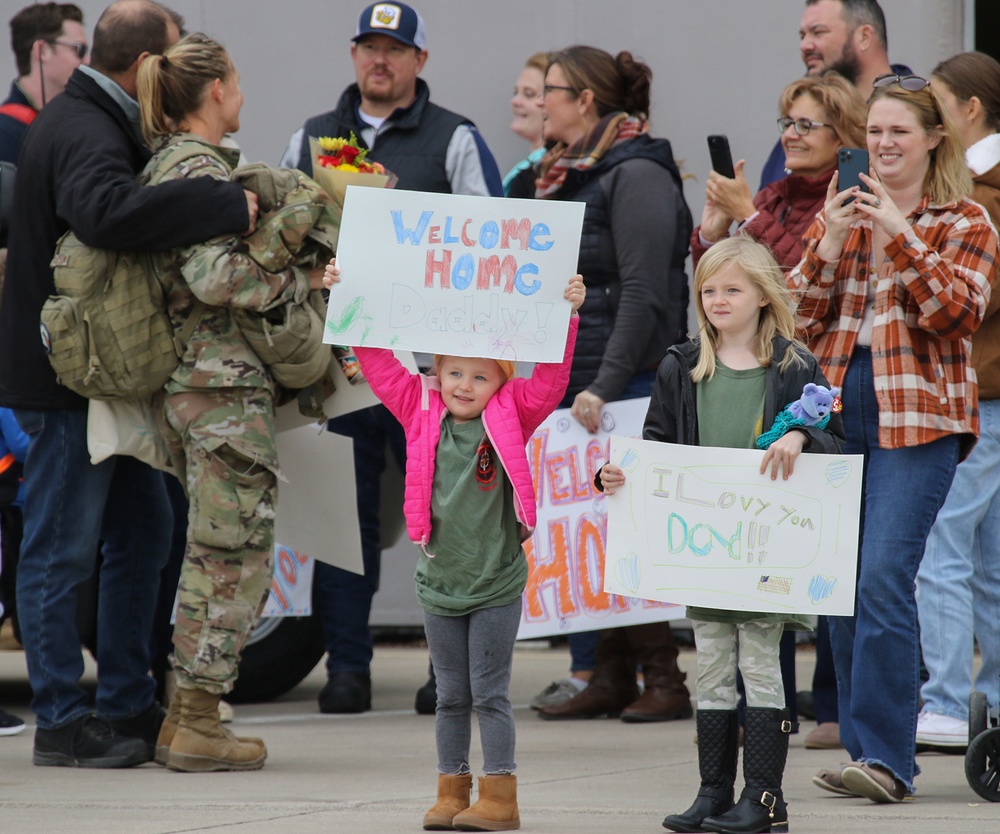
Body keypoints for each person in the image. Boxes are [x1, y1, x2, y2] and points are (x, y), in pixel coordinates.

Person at [0, 0, 255, 769]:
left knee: (146, 533)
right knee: (61, 549)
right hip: (66, 384)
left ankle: (126, 704)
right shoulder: (84, 128)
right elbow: (106, 211)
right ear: (147, 67)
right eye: (174, 60)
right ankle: (63, 720)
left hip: (104, 382)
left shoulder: (94, 118)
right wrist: (222, 202)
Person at [280, 1, 503, 716]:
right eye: (368, 47)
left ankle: (449, 673)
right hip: (340, 365)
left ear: (419, 62)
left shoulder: (455, 138)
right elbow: (280, 244)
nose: (380, 60)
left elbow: (492, 241)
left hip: (437, 374)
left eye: (394, 49)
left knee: (452, 519)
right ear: (354, 56)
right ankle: (347, 668)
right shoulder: (311, 138)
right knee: (344, 524)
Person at [789, 73, 998, 802]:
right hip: (841, 409)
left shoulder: (964, 220)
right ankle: (865, 747)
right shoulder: (839, 211)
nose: (882, 146)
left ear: (934, 137)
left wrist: (899, 234)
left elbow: (955, 315)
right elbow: (799, 316)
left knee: (882, 575)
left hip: (920, 417)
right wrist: (834, 238)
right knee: (840, 586)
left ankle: (887, 758)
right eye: (873, 133)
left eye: (898, 132)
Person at [325, 261, 584, 831]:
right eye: (453, 373)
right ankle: (451, 788)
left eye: (480, 376)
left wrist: (567, 317)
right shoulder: (418, 408)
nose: (465, 386)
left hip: (494, 583)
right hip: (439, 582)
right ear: (436, 374)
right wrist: (351, 295)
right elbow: (378, 360)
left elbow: (551, 383)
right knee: (449, 696)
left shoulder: (515, 411)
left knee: (489, 695)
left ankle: (500, 795)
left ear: (501, 382)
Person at [598, 235, 843, 834]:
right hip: (705, 549)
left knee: (760, 664)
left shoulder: (794, 365)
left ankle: (763, 797)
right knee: (709, 664)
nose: (718, 299)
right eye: (708, 289)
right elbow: (656, 442)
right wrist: (619, 472)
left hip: (765, 549)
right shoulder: (682, 365)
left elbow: (839, 442)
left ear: (763, 294)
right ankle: (713, 792)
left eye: (732, 288)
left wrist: (802, 437)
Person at [136, 32, 329, 772]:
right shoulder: (194, 171)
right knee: (229, 554)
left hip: (211, 386)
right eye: (238, 79)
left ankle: (190, 713)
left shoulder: (186, 166)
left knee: (225, 548)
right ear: (215, 89)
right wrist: (300, 280)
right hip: (218, 389)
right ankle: (196, 720)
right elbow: (217, 278)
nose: (242, 90)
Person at [526, 44, 693, 723]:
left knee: (625, 523)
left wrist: (606, 380)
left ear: (586, 101)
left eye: (552, 91)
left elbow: (645, 291)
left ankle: (666, 678)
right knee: (593, 525)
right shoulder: (569, 174)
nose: (542, 103)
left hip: (627, 381)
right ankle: (613, 671)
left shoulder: (638, 174)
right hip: (584, 377)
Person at [912, 51, 1000, 749]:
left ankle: (944, 700)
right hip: (988, 392)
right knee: (988, 558)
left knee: (943, 546)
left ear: (969, 109)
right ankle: (990, 700)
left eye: (936, 103)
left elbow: (967, 301)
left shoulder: (982, 193)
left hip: (978, 390)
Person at [694, 71, 866, 273]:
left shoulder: (850, 200)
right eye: (787, 124)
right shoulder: (771, 195)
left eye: (804, 126)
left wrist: (748, 216)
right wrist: (711, 237)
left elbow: (809, 282)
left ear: (841, 138)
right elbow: (731, 289)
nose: (789, 135)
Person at [759, 0, 909, 189]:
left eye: (818, 32)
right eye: (803, 36)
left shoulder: (917, 112)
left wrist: (747, 214)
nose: (805, 45)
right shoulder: (799, 123)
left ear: (864, 37)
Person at [0, 3, 86, 164]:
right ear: (42, 51)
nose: (87, 60)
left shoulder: (70, 124)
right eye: (79, 49)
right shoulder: (5, 134)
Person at [502, 52, 547, 196]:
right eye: (516, 92)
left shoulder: (549, 171)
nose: (515, 101)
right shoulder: (528, 169)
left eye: (529, 94)